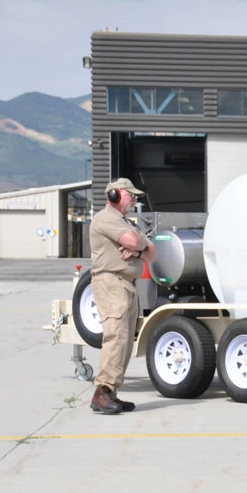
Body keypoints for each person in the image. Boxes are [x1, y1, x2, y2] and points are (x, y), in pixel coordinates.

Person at [88, 178, 156, 415]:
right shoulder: (106, 218)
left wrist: (141, 246)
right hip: (111, 282)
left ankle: (111, 392)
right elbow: (135, 241)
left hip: (126, 285)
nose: (135, 199)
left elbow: (152, 254)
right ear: (115, 195)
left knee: (125, 341)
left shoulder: (125, 222)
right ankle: (102, 392)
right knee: (116, 336)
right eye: (131, 195)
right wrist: (140, 245)